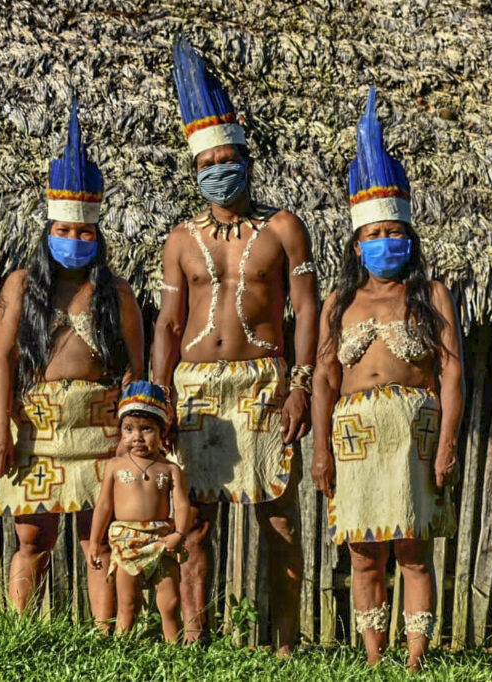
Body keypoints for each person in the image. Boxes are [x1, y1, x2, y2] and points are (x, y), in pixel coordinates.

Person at [151, 36, 318, 654]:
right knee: (194, 525)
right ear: (195, 170)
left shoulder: (284, 229)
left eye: (228, 158)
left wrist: (299, 388)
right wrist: (157, 395)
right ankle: (195, 639)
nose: (219, 169)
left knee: (278, 521)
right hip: (195, 390)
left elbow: (306, 311)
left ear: (246, 158)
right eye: (206, 162)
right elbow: (169, 325)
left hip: (263, 384)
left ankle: (285, 646)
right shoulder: (179, 238)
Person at [311, 87, 463, 672]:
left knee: (413, 550)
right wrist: (321, 448)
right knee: (364, 551)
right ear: (356, 242)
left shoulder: (432, 295)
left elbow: (451, 373)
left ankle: (417, 658)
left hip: (413, 435)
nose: (385, 243)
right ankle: (375, 660)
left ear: (409, 236)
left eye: (393, 233)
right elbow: (325, 380)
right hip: (353, 439)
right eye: (373, 236)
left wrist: (447, 444)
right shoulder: (338, 303)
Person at [0, 100, 144, 628]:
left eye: (85, 233)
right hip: (36, 426)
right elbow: (2, 359)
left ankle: (106, 638)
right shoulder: (20, 287)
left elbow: (133, 370)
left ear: (98, 237)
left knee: (97, 535)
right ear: (48, 230)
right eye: (65, 231)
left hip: (99, 425)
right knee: (33, 534)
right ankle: (20, 631)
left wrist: (129, 431)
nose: (75, 240)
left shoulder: (116, 293)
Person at [87, 381, 192, 642]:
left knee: (170, 603)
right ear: (121, 431)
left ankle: (175, 652)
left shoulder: (169, 470)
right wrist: (94, 542)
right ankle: (122, 651)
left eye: (147, 429)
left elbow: (181, 504)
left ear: (162, 431)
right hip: (127, 541)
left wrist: (179, 533)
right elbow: (103, 506)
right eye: (129, 429)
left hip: (161, 540)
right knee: (128, 605)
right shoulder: (115, 466)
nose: (138, 437)